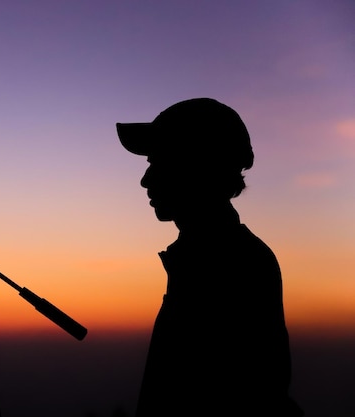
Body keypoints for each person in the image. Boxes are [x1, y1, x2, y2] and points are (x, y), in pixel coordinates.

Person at [116, 98, 303, 416]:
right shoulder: (211, 256)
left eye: (158, 162)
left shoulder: (232, 264)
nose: (146, 180)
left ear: (195, 166)